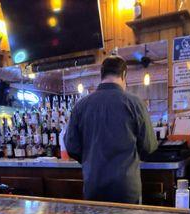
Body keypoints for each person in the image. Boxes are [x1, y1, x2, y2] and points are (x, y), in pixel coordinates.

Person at [64, 55, 158, 204]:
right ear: (124, 75)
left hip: (94, 185)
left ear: (102, 75)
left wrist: (90, 159)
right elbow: (149, 146)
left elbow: (72, 147)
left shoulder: (81, 105)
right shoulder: (135, 103)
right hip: (126, 187)